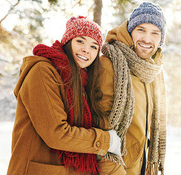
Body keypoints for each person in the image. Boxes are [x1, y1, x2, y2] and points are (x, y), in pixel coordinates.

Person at [7, 16, 122, 175]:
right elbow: (57, 134)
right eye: (80, 41)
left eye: (94, 46)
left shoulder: (82, 81)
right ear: (67, 42)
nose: (86, 50)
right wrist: (106, 141)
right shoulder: (42, 71)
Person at [94, 2, 167, 175]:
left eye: (155, 33)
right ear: (130, 30)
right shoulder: (110, 64)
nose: (147, 39)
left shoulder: (151, 72)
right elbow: (101, 129)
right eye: (141, 29)